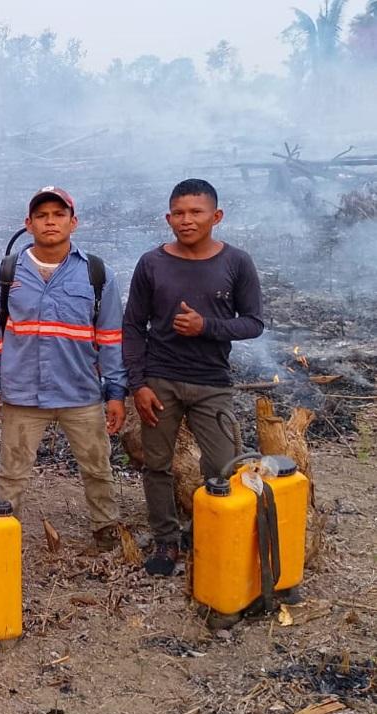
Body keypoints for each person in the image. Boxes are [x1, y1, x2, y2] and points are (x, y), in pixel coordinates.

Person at [123, 178, 264, 576]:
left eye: (196, 212)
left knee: (222, 466)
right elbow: (132, 325)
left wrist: (206, 326)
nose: (186, 220)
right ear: (168, 218)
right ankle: (166, 540)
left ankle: (207, 530)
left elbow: (254, 323)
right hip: (160, 381)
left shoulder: (236, 262)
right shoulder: (152, 263)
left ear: (216, 216)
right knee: (156, 464)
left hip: (212, 383)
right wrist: (138, 384)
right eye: (179, 213)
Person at [0, 186, 127, 551]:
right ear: (28, 224)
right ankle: (1, 540)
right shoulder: (7, 273)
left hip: (81, 392)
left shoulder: (96, 274)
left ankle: (106, 529)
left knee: (97, 467)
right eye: (41, 216)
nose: (50, 222)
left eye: (59, 215)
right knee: (12, 474)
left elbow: (110, 337)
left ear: (74, 223)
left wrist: (116, 392)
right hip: (23, 394)